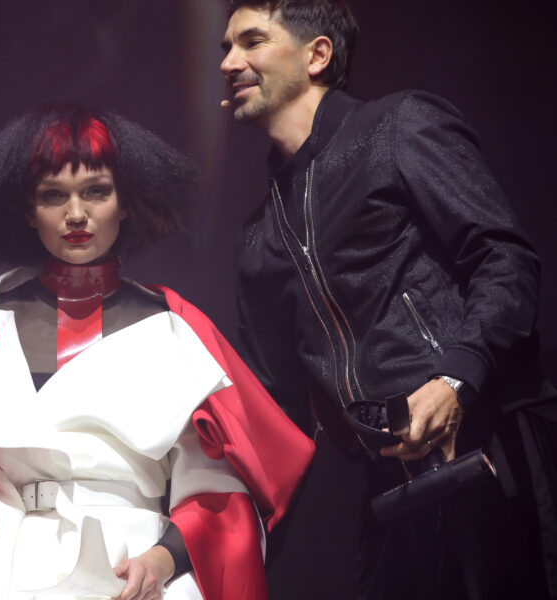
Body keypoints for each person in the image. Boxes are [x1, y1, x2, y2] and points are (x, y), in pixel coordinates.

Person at [0, 103, 315, 600]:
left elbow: (220, 494)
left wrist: (160, 560)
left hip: (138, 572)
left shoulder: (174, 329)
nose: (76, 214)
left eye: (96, 191)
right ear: (28, 210)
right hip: (2, 565)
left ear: (126, 201)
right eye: (53, 195)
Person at [220, 1, 557, 598]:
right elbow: (274, 413)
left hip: (492, 449)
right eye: (225, 48)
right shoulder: (258, 235)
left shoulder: (397, 126)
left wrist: (455, 378)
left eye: (251, 41)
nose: (228, 62)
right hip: (394, 494)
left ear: (317, 55)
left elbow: (505, 260)